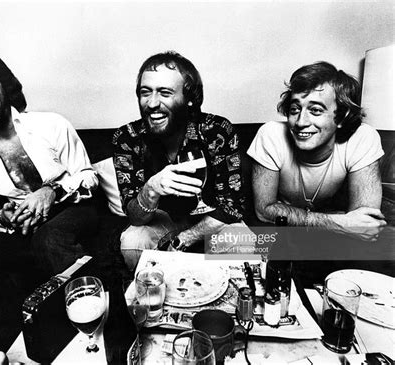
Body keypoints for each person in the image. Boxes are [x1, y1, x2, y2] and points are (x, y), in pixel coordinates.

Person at [0, 41, 99, 350]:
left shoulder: (51, 124)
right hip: (21, 229)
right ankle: (16, 346)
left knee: (49, 237)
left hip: (72, 212)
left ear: (3, 82)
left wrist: (51, 190)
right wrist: (3, 215)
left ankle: (99, 323)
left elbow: (89, 177)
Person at [112, 51, 248, 270]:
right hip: (162, 221)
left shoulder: (217, 131)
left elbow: (232, 208)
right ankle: (149, 299)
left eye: (165, 93)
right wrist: (151, 189)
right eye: (145, 92)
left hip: (212, 222)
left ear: (190, 99)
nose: (152, 103)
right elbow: (135, 217)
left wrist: (185, 238)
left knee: (242, 241)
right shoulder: (127, 138)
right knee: (133, 240)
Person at [248, 61, 386, 241]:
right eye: (295, 109)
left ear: (342, 117)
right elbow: (264, 211)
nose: (300, 122)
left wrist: (289, 213)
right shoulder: (271, 134)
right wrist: (336, 221)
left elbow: (365, 224)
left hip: (333, 244)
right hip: (283, 237)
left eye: (315, 110)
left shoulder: (363, 137)